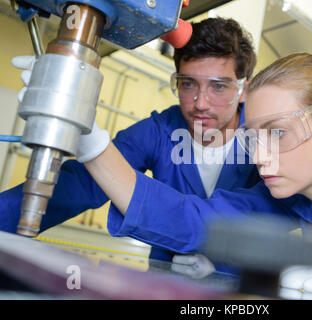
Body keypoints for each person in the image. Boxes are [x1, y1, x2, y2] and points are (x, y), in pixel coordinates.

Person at [80, 52, 312, 299]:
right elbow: (195, 220)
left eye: (276, 132)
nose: (261, 156)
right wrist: (92, 144)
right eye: (252, 138)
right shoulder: (291, 195)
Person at [0, 17, 259, 275]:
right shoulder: (161, 131)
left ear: (243, 90)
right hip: (164, 286)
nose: (200, 102)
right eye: (188, 83)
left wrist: (226, 267)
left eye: (218, 86)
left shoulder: (266, 142)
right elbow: (81, 184)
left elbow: (278, 220)